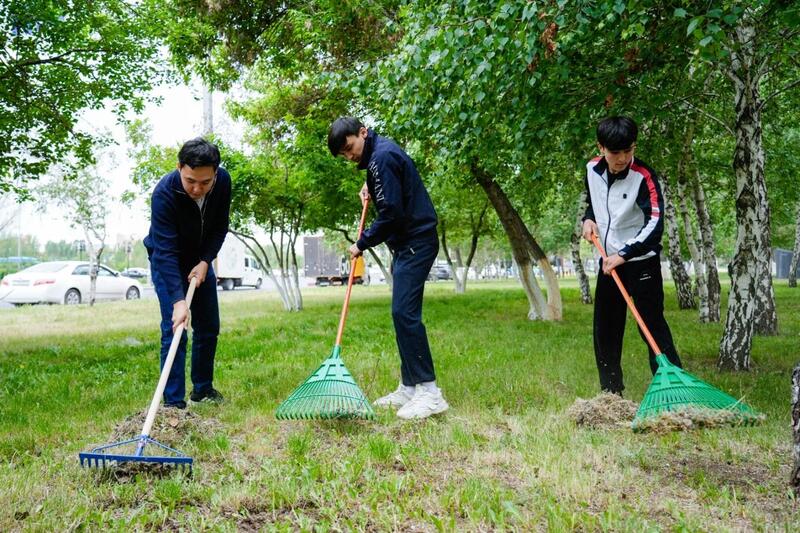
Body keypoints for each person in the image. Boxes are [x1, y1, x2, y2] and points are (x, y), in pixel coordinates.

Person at [327, 117, 449, 420]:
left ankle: (430, 393)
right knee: (401, 314)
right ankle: (410, 387)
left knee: (404, 315)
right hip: (409, 243)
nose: (349, 156)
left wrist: (362, 242)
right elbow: (391, 187)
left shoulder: (380, 157)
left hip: (415, 243)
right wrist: (370, 184)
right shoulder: (378, 157)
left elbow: (392, 214)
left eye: (349, 148)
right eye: (343, 154)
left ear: (363, 133)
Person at [581, 116, 682, 396]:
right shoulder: (591, 170)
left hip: (641, 263)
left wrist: (625, 254)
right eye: (616, 152)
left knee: (651, 326)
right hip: (609, 263)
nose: (623, 158)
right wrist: (589, 219)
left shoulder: (643, 176)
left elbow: (655, 222)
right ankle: (611, 393)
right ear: (601, 148)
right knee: (605, 329)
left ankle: (674, 389)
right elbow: (594, 201)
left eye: (629, 150)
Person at [144, 138, 231, 409]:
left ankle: (202, 390)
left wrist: (206, 261)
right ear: (179, 167)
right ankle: (173, 403)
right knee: (176, 328)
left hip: (200, 261)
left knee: (208, 326)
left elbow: (219, 227)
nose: (197, 189)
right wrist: (179, 302)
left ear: (215, 173)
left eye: (205, 183)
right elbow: (165, 252)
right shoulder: (164, 194)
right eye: (190, 180)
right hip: (167, 261)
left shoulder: (223, 182)